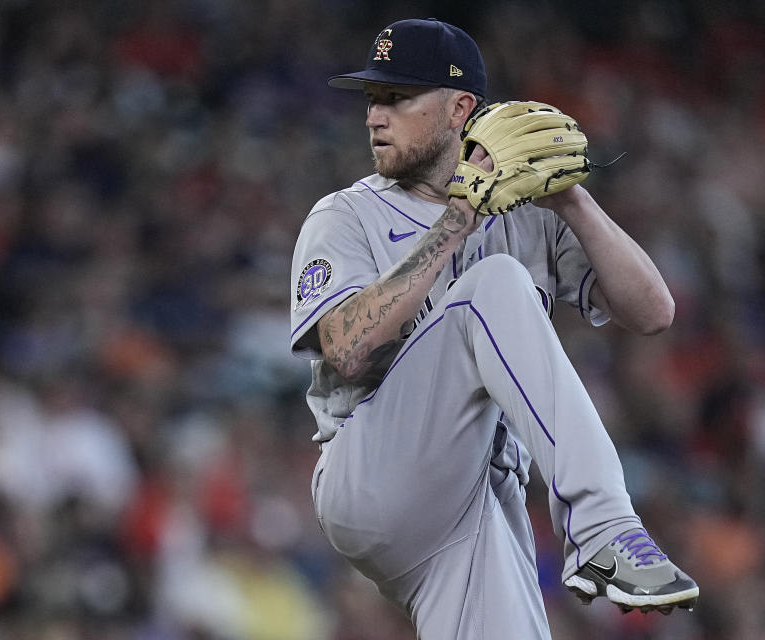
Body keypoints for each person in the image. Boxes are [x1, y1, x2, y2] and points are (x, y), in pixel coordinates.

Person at [289, 18, 698, 639]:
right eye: (373, 99)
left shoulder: (525, 215)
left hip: (477, 498)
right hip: (372, 468)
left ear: (460, 109)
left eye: (397, 98)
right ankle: (602, 526)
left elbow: (653, 313)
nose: (375, 116)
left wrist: (572, 200)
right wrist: (458, 218)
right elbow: (345, 350)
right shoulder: (347, 214)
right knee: (495, 283)